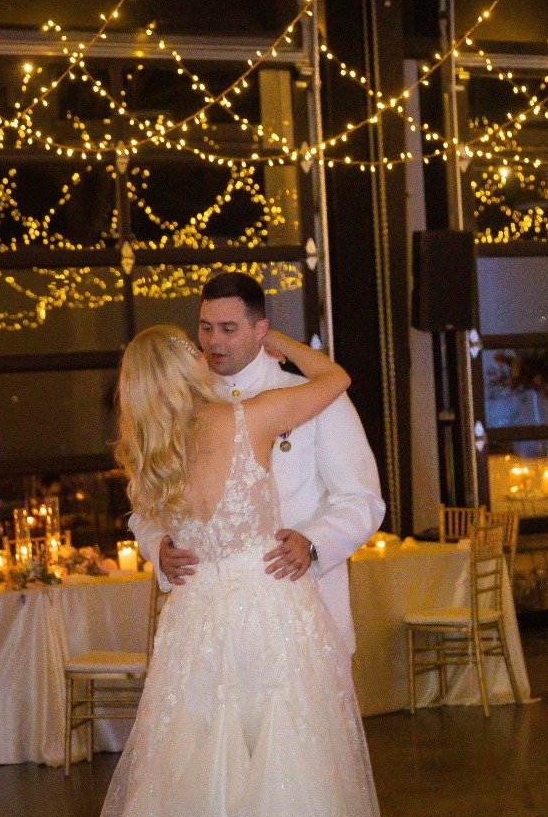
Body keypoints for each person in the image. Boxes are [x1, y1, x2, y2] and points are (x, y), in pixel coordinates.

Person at [56, 324, 465, 817]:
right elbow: (338, 378)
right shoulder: (247, 417)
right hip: (267, 619)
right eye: (198, 337)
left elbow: (160, 518)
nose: (210, 344)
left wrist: (173, 551)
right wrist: (283, 344)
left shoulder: (149, 449)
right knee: (285, 790)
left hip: (198, 628)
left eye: (222, 328)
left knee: (198, 802)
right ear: (185, 365)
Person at [129, 272, 384, 656]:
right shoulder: (180, 406)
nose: (214, 341)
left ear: (259, 329)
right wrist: (157, 547)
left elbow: (363, 499)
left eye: (229, 328)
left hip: (302, 608)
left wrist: (314, 544)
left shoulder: (306, 395)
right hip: (210, 629)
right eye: (206, 328)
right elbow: (146, 506)